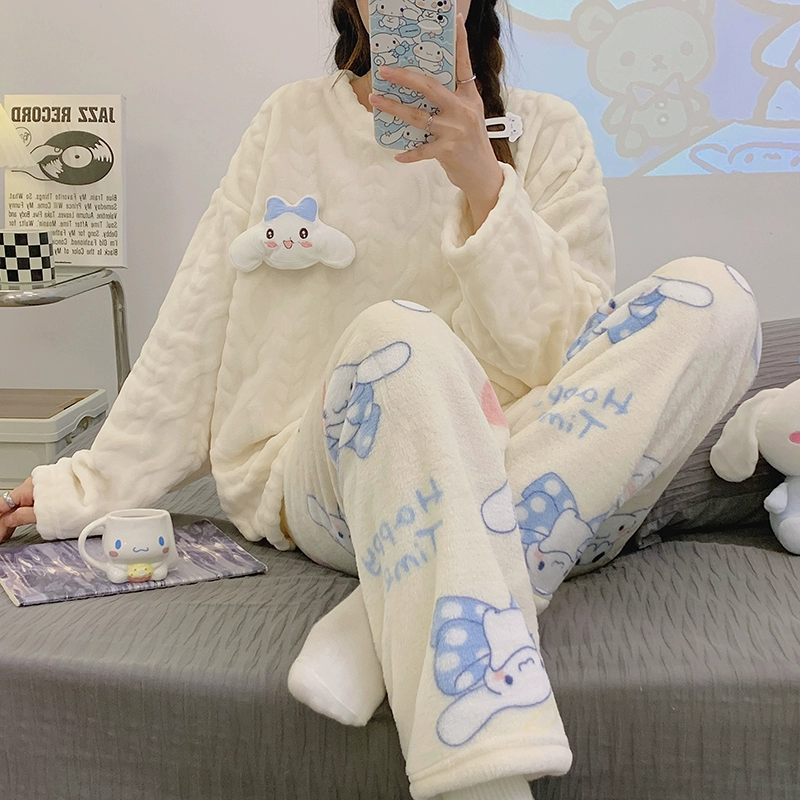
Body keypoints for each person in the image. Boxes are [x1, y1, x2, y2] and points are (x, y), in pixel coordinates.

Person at [0, 2, 759, 799]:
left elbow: (564, 361)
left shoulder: (550, 132)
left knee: (716, 298)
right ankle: (483, 780)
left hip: (525, 457)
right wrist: (85, 486)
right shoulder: (291, 122)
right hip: (335, 474)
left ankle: (379, 620)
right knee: (402, 336)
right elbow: (197, 322)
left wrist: (482, 179)